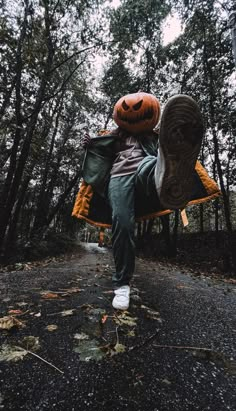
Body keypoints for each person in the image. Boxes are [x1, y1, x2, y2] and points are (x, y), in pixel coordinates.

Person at [72, 93, 221, 310]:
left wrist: (176, 137)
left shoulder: (155, 137)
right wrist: (90, 144)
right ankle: (122, 284)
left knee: (153, 163)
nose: (132, 109)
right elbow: (97, 157)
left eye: (140, 107)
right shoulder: (113, 137)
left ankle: (170, 181)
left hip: (147, 170)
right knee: (122, 224)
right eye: (126, 107)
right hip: (118, 178)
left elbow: (167, 136)